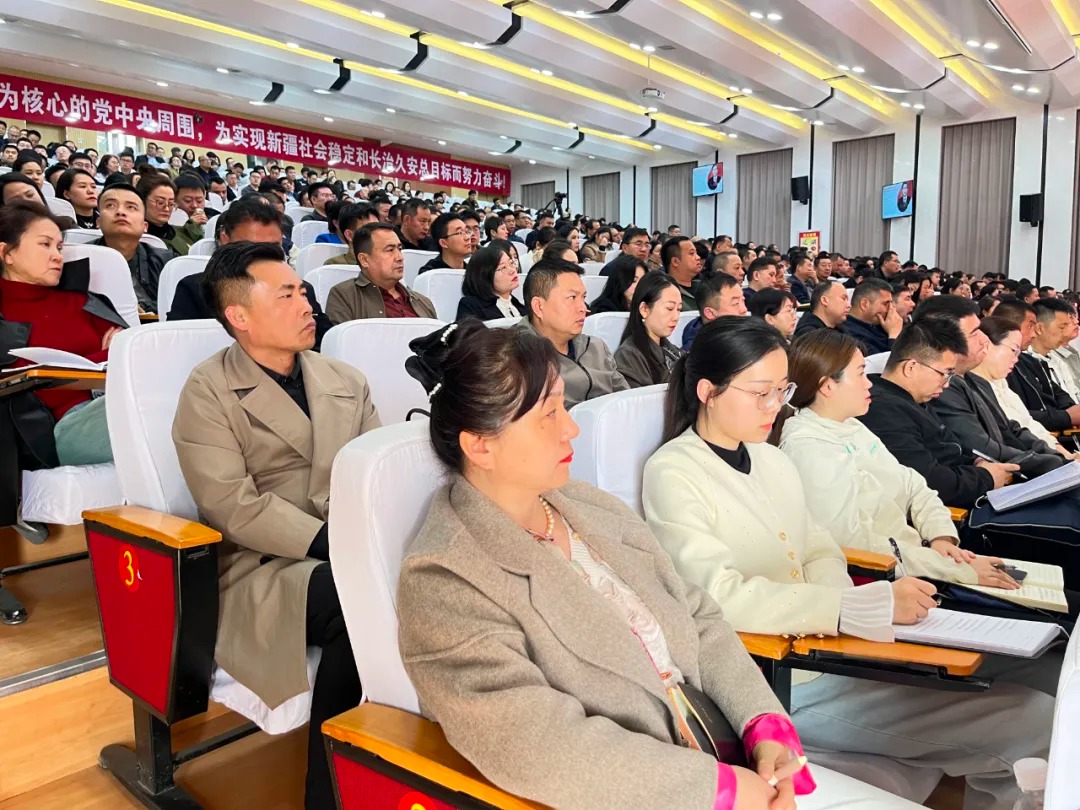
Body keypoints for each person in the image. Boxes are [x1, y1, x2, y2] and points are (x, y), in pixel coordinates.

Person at [398, 320, 819, 810]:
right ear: (480, 445)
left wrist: (763, 725)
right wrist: (716, 791)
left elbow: (696, 615)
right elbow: (535, 744)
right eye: (548, 415)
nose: (571, 428)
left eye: (564, 406)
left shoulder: (589, 507)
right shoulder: (446, 576)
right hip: (650, 791)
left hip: (722, 748)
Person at [642, 316, 1054, 808]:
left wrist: (846, 609)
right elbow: (716, 597)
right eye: (761, 393)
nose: (776, 406)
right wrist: (842, 609)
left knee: (1033, 682)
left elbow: (820, 547)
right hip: (780, 678)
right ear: (708, 391)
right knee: (1031, 721)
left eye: (781, 390)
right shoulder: (674, 471)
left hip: (832, 648)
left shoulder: (770, 458)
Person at [173, 241, 379, 810]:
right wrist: (334, 543)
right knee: (357, 603)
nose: (306, 303)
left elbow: (372, 470)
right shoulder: (208, 390)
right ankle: (328, 796)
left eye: (303, 290)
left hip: (345, 545)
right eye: (286, 295)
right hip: (263, 564)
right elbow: (230, 504)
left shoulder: (344, 378)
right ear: (239, 316)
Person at [780, 329, 1016, 587]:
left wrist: (941, 536)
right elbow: (854, 543)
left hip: (923, 561)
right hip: (889, 580)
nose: (869, 383)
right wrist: (951, 568)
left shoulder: (851, 424)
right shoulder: (808, 448)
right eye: (860, 374)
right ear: (827, 386)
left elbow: (913, 485)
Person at [0, 202, 128, 599]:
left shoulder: (84, 301)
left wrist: (117, 351)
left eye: (59, 245)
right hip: (56, 428)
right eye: (45, 245)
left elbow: (132, 351)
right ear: (6, 252)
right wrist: (102, 356)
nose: (58, 255)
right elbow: (17, 376)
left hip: (111, 401)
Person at [857, 320, 1018, 509]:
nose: (947, 384)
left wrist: (976, 462)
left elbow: (950, 450)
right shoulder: (882, 410)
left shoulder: (913, 399)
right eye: (945, 374)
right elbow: (929, 482)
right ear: (911, 367)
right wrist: (986, 477)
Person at [918, 296, 1065, 479]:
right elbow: (981, 447)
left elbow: (1010, 430)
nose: (984, 340)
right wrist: (1050, 463)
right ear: (943, 339)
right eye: (975, 333)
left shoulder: (976, 381)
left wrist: (1055, 457)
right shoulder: (943, 387)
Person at [166, 198, 333, 348]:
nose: (264, 256)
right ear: (225, 240)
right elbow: (182, 351)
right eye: (252, 247)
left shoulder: (301, 290)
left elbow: (322, 346)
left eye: (273, 247)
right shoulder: (195, 290)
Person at [517, 258, 628, 408]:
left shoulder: (596, 347)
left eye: (583, 298)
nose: (583, 308)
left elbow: (626, 402)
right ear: (538, 306)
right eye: (572, 298)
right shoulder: (515, 356)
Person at [969, 316, 1077, 462]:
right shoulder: (970, 386)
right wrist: (1059, 459)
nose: (1016, 359)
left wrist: (1066, 455)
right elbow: (1011, 436)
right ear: (985, 344)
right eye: (1013, 350)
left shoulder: (1000, 382)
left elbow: (1029, 423)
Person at [325, 223, 436, 324]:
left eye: (399, 249)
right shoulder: (344, 296)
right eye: (390, 250)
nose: (400, 257)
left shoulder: (423, 302)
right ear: (364, 260)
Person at [998, 298, 1080, 431]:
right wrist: (1065, 417)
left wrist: (1070, 411)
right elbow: (1014, 415)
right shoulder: (999, 366)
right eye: (1061, 326)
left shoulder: (1031, 362)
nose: (1033, 333)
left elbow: (1061, 396)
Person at [614, 272, 685, 388]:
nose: (676, 317)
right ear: (644, 309)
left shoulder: (672, 351)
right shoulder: (629, 356)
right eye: (669, 308)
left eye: (679, 309)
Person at [455, 244, 523, 321]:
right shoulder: (471, 306)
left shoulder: (518, 305)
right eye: (503, 267)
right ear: (484, 276)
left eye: (511, 263)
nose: (512, 270)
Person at [681, 273, 745, 351]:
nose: (744, 309)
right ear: (710, 313)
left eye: (743, 300)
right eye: (735, 303)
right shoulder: (698, 352)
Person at [843, 278, 902, 356]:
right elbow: (883, 362)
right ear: (864, 304)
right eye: (885, 304)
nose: (891, 309)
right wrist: (894, 335)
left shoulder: (881, 323)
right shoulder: (849, 335)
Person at [661, 235, 703, 312]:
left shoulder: (704, 287)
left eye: (696, 253)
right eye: (691, 253)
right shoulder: (663, 293)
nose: (698, 257)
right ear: (675, 262)